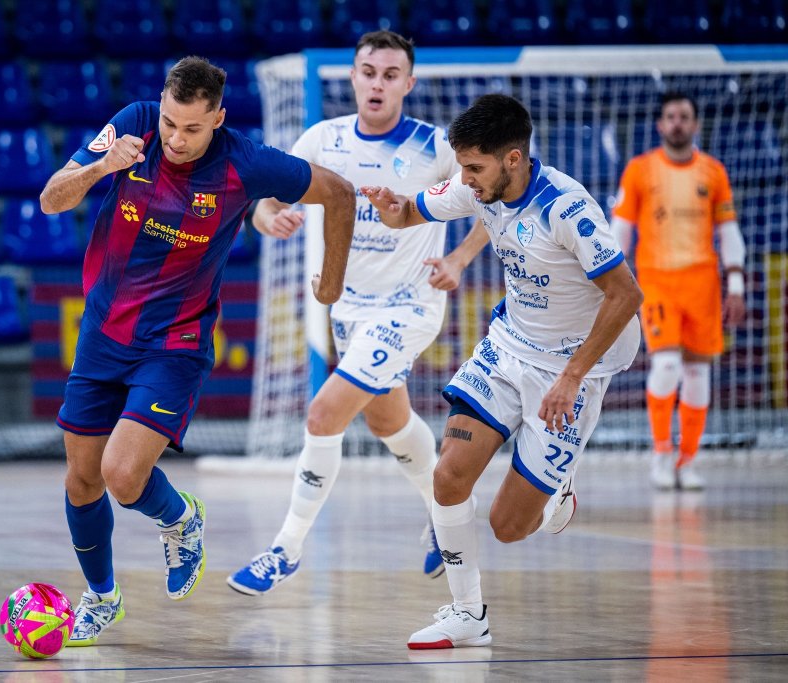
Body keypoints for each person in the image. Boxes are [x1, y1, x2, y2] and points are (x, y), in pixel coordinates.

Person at [39, 56, 355, 646]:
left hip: (175, 343)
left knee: (121, 475)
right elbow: (52, 199)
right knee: (82, 481)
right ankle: (102, 598)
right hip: (104, 333)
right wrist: (99, 167)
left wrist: (331, 283)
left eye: (191, 128)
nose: (175, 140)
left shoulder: (245, 162)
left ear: (218, 119)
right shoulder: (131, 126)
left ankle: (182, 521)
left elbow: (339, 193)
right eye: (168, 124)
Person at [363, 94, 643, 649]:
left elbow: (626, 294)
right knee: (448, 476)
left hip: (573, 368)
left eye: (474, 167)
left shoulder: (567, 208)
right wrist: (391, 208)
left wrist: (570, 377)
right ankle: (469, 614)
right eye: (462, 166)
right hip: (509, 346)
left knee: (507, 527)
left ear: (512, 158)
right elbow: (414, 210)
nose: (465, 179)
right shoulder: (477, 187)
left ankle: (556, 488)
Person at [226, 30, 471, 596]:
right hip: (350, 308)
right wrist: (271, 219)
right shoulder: (322, 138)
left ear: (408, 84)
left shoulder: (436, 148)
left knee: (322, 415)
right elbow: (264, 204)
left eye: (390, 74)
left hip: (409, 306)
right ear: (354, 78)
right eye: (368, 72)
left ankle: (285, 548)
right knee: (387, 421)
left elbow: (497, 197)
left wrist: (457, 257)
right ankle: (443, 513)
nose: (377, 83)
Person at [611, 92, 746, 491]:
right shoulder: (639, 170)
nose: (677, 124)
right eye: (670, 117)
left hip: (703, 284)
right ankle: (661, 454)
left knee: (698, 375)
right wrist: (612, 278)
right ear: (659, 125)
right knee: (666, 367)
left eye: (684, 117)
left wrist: (735, 284)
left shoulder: (713, 172)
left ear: (696, 124)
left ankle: (687, 461)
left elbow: (729, 232)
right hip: (656, 281)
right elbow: (620, 228)